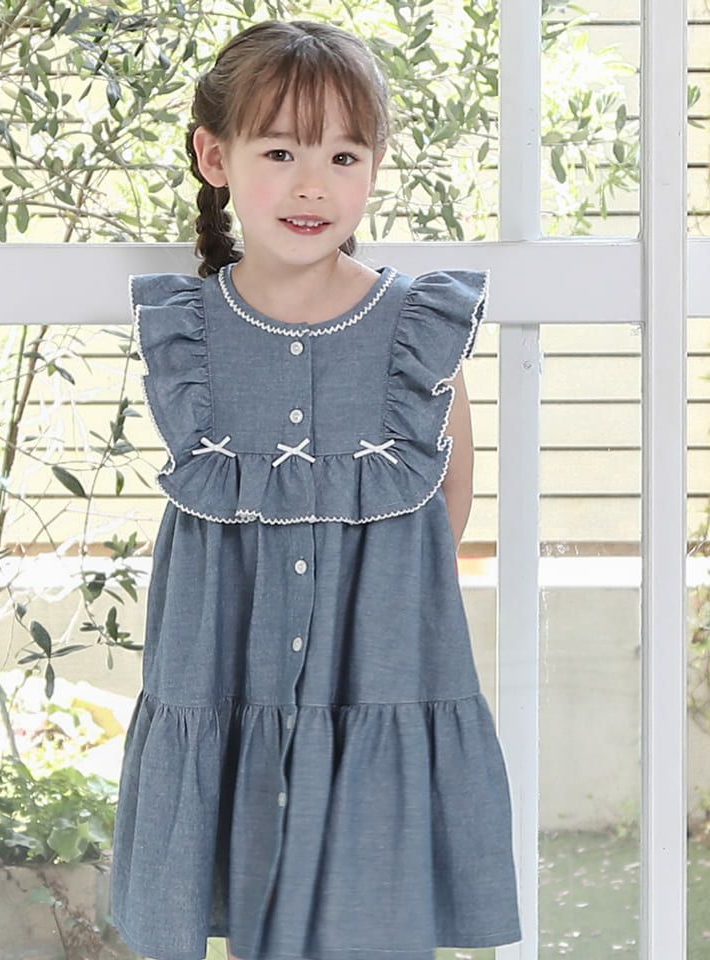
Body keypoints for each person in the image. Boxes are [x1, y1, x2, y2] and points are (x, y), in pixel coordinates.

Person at [110, 17, 522, 960]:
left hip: (380, 665)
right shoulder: (185, 332)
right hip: (220, 670)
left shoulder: (420, 329)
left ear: (374, 167)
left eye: (343, 155)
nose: (312, 184)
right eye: (280, 151)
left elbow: (446, 508)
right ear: (214, 157)